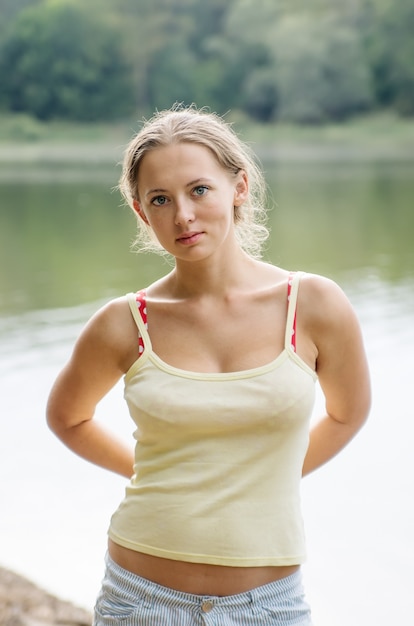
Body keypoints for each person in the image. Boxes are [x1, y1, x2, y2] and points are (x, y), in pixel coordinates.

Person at [46, 104, 371, 625]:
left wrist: (270, 476)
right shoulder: (124, 322)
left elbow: (348, 413)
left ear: (238, 187)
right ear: (140, 212)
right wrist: (149, 470)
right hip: (140, 600)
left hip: (268, 606)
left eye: (199, 189)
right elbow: (67, 417)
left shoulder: (312, 304)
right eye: (160, 199)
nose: (183, 216)